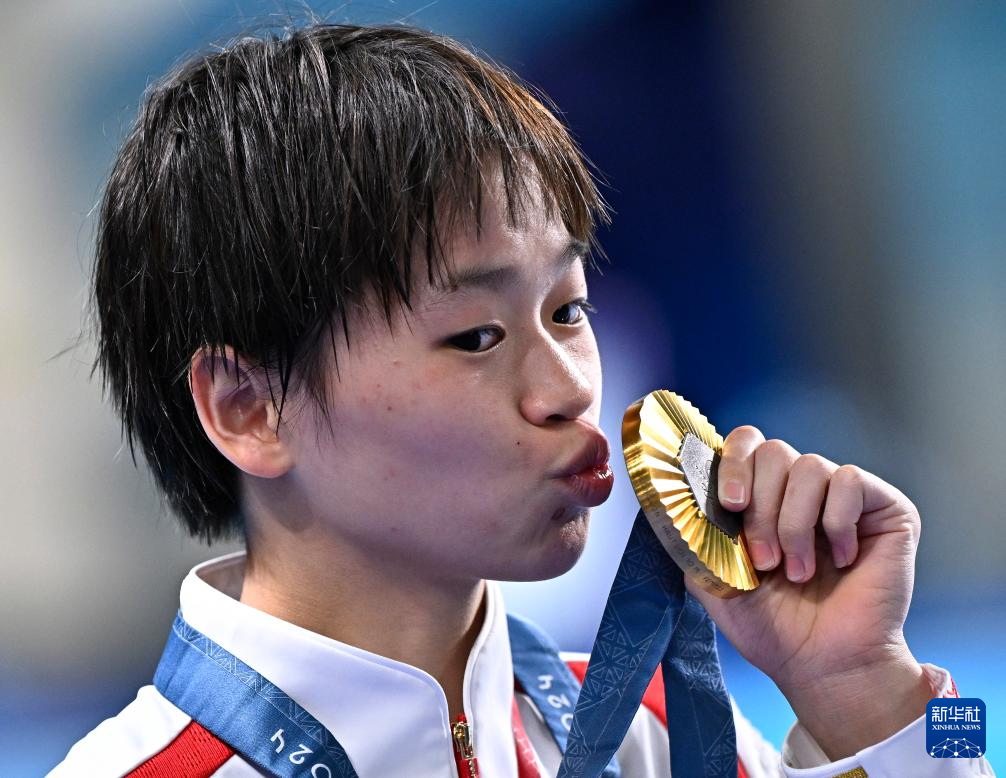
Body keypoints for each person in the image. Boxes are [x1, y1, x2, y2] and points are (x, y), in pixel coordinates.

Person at [51, 21, 993, 778]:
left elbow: (956, 741)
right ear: (249, 407)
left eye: (568, 310)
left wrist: (867, 687)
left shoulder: (663, 732)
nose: (570, 388)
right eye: (476, 337)